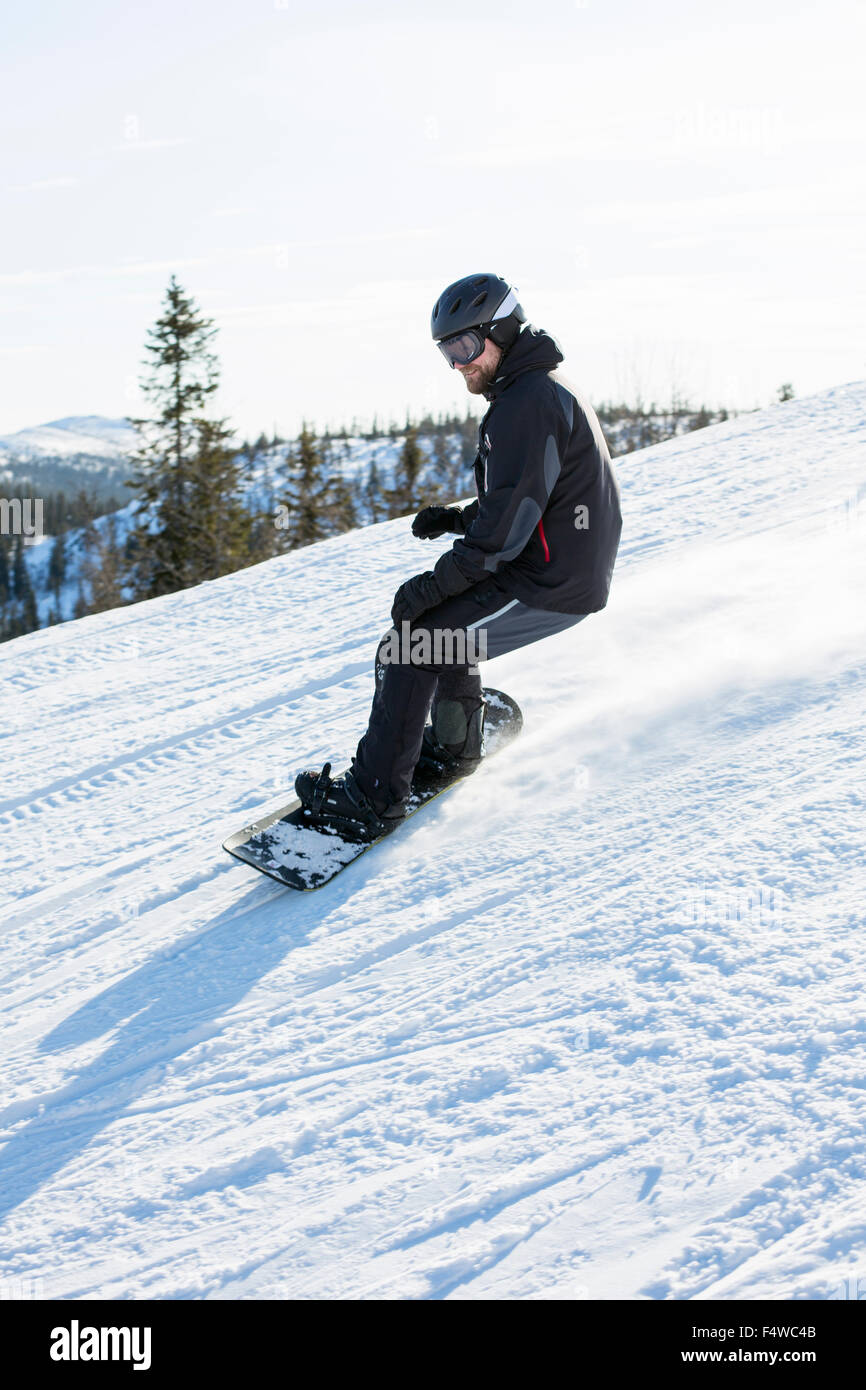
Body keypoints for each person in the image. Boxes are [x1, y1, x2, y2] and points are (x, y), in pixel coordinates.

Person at [295, 272, 623, 837]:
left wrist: (433, 583)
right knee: (435, 630)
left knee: (411, 644)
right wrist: (458, 518)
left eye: (466, 346)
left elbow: (508, 528)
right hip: (549, 564)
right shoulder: (536, 388)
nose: (457, 364)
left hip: (550, 581)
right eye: (447, 350)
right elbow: (525, 496)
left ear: (503, 331)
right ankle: (454, 741)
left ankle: (372, 802)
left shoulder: (527, 400)